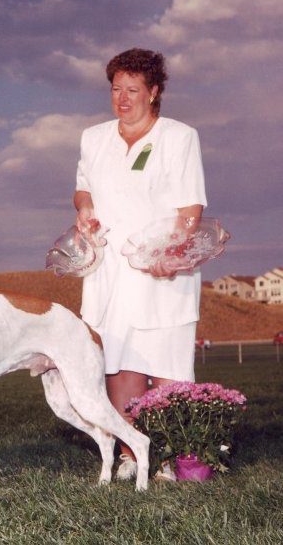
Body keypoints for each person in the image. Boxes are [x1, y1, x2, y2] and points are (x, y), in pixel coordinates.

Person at [73, 48, 207, 481]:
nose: (123, 98)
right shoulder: (93, 137)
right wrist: (84, 206)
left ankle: (170, 457)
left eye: (133, 89)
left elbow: (190, 208)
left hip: (162, 272)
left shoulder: (179, 136)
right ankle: (133, 453)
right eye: (116, 89)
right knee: (119, 359)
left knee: (166, 360)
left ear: (154, 92)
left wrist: (174, 251)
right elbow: (82, 188)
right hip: (108, 270)